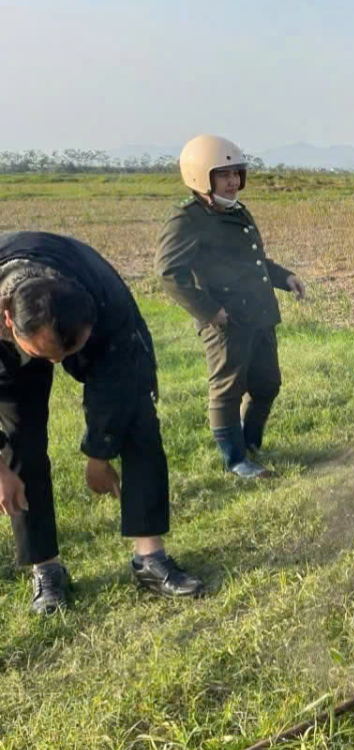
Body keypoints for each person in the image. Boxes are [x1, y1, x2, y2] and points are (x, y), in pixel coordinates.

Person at [0, 231, 204, 614]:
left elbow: (121, 383)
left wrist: (99, 453)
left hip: (95, 316)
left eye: (69, 353)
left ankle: (150, 558)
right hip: (11, 349)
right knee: (19, 445)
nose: (58, 365)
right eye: (46, 355)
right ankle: (46, 569)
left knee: (138, 421)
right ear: (7, 320)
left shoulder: (105, 304)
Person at [156, 135, 307, 479]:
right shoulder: (187, 219)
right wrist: (210, 311)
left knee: (268, 385)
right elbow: (168, 272)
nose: (233, 181)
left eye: (236, 173)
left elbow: (253, 262)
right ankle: (236, 460)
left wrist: (286, 278)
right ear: (201, 177)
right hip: (226, 322)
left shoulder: (237, 210)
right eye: (223, 175)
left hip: (259, 315)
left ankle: (250, 442)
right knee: (227, 391)